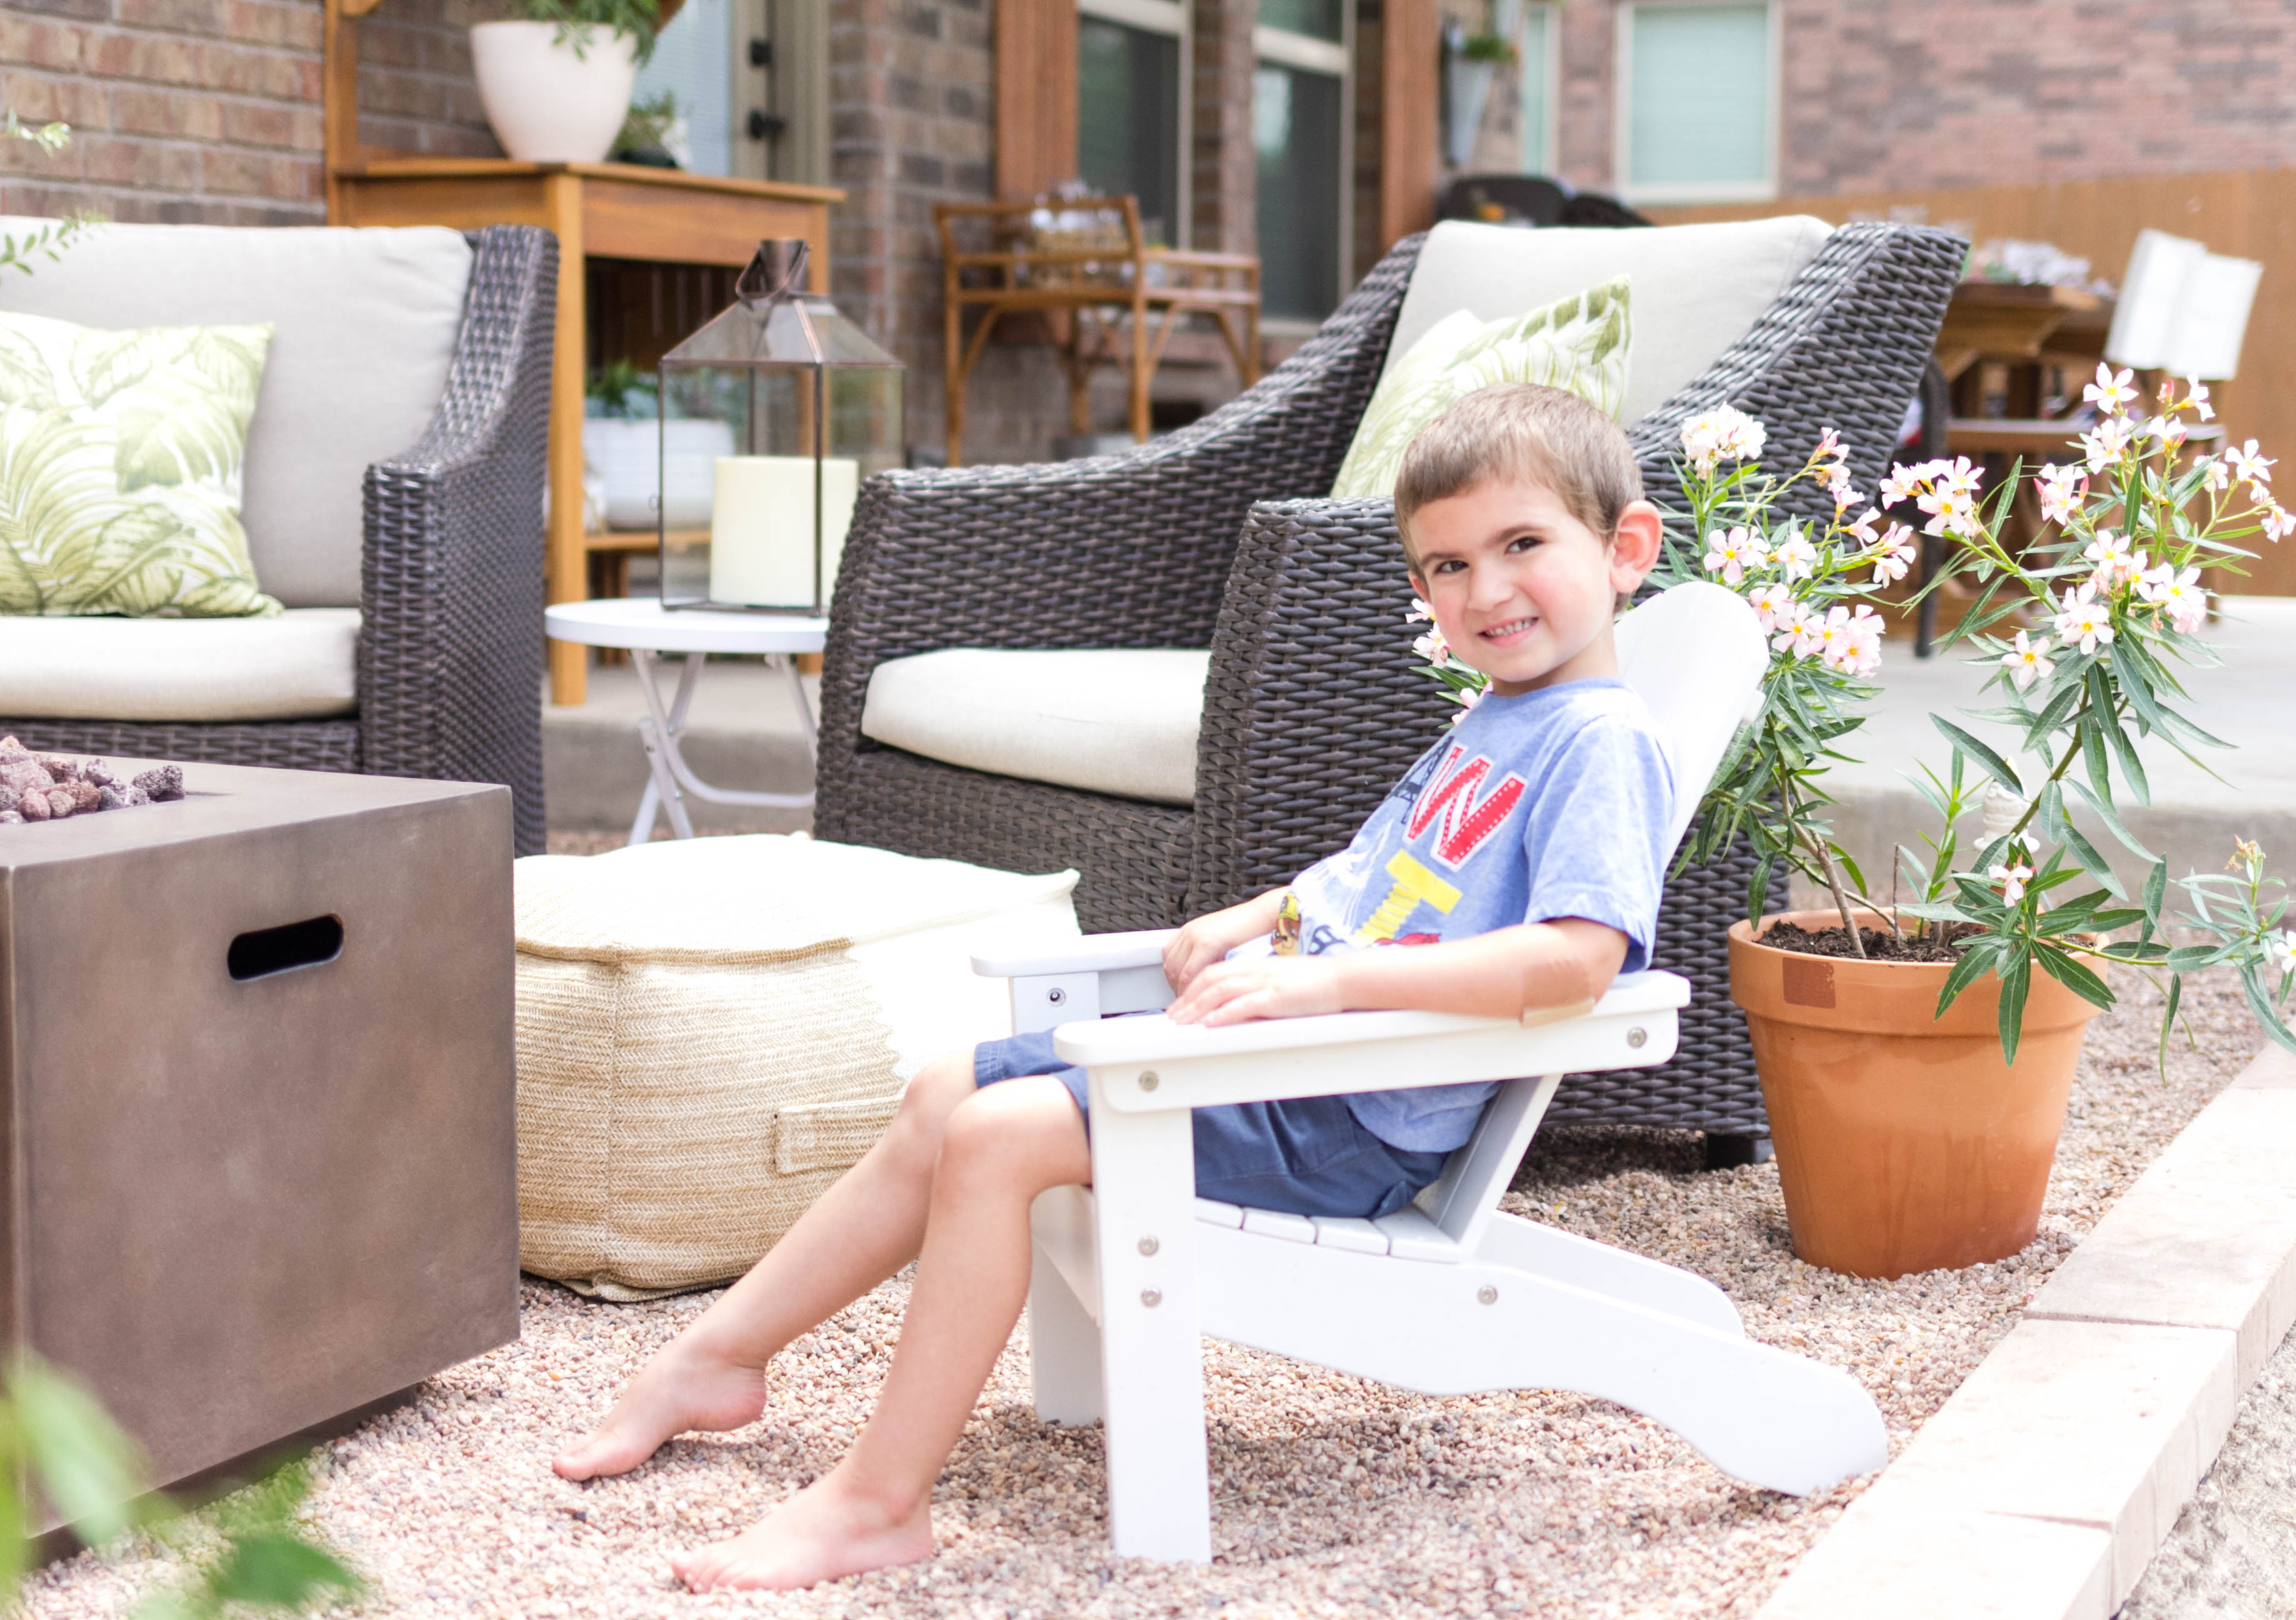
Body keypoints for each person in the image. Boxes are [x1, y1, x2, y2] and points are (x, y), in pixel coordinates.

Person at [552, 382, 1677, 1591]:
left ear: (1623, 550)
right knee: (944, 1092)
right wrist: (1265, 919)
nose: (1485, 592)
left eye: (1522, 546)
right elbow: (1384, 880)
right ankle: (717, 1358)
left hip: (1352, 1112)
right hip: (1277, 1061)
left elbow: (1578, 959)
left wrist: (1328, 991)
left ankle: (877, 1504)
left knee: (993, 1139)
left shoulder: (1597, 742)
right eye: (1446, 566)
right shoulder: (1497, 720)